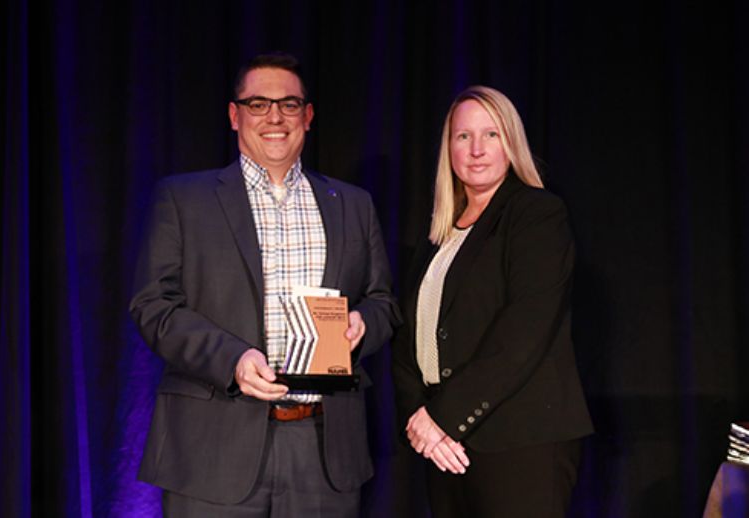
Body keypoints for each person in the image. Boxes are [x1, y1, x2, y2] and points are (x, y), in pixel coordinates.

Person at [130, 52, 399, 517]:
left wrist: (363, 324)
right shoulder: (183, 199)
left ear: (308, 116)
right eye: (258, 104)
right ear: (234, 116)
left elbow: (383, 303)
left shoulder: (353, 204)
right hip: (212, 448)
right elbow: (155, 306)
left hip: (323, 452)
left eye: (289, 105)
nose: (274, 117)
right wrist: (231, 360)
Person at [392, 85, 593, 517]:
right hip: (444, 443)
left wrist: (442, 417)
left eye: (492, 135)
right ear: (448, 148)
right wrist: (419, 419)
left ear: (511, 143)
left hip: (519, 440)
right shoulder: (440, 234)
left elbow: (523, 333)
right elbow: (410, 333)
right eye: (463, 136)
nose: (477, 149)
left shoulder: (536, 214)